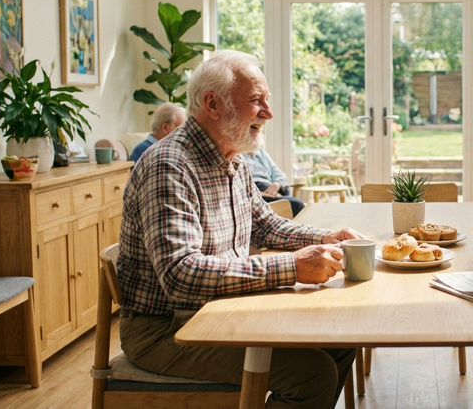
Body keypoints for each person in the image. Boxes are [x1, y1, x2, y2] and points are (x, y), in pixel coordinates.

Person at [117, 50, 359, 408]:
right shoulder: (169, 166)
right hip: (167, 330)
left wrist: (326, 238)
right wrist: (293, 267)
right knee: (312, 374)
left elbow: (265, 225)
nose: (268, 113)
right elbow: (180, 274)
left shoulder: (232, 158)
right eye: (256, 100)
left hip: (220, 310)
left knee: (340, 340)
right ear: (212, 104)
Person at [245, 146, 305, 217]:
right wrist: (259, 193)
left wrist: (277, 183)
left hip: (269, 189)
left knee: (297, 205)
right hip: (252, 191)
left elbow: (279, 174)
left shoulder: (261, 152)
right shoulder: (237, 155)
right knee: (296, 204)